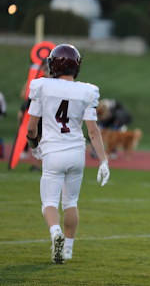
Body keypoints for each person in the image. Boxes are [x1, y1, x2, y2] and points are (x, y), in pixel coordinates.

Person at [26, 44, 110, 264]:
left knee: (49, 202)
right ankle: (69, 250)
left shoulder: (42, 86)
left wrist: (34, 146)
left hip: (53, 151)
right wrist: (103, 161)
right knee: (71, 202)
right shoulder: (87, 91)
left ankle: (56, 233)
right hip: (76, 153)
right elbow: (93, 131)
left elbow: (31, 128)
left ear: (53, 65)